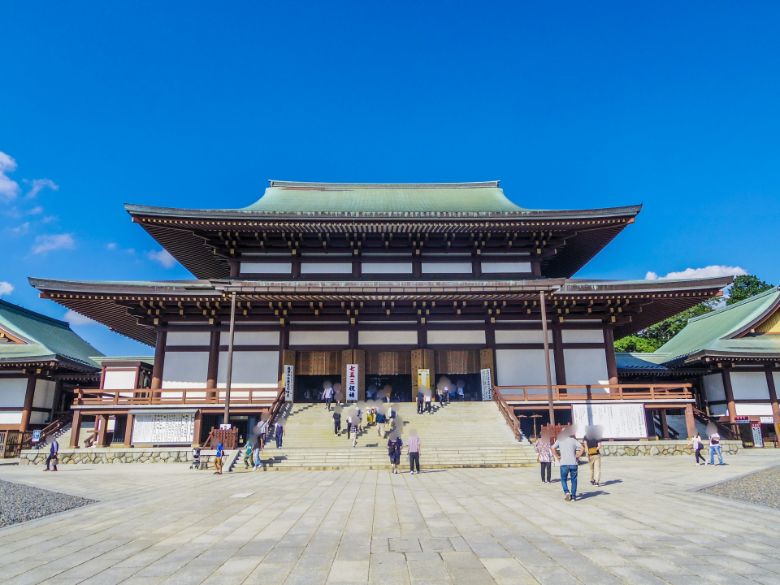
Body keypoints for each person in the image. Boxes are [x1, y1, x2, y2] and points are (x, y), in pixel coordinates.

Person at [552, 430, 585, 501]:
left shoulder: (559, 440)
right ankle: (573, 496)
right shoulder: (573, 440)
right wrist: (578, 455)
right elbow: (582, 447)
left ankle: (566, 491)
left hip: (564, 463)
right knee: (574, 479)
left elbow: (553, 448)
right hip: (573, 462)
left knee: (563, 478)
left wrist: (557, 456)